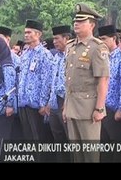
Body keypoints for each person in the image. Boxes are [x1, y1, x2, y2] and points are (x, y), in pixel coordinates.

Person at [63, 3, 110, 162]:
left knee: (90, 155)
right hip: (72, 105)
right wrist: (65, 106)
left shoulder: (97, 47)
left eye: (82, 21)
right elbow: (69, 79)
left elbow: (102, 80)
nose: (76, 24)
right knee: (77, 155)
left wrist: (99, 108)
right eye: (76, 21)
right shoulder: (70, 46)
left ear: (92, 25)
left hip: (89, 108)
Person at [18, 19, 54, 162]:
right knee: (28, 139)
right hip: (24, 103)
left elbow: (48, 80)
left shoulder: (45, 54)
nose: (26, 35)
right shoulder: (25, 54)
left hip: (37, 105)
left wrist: (44, 103)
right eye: (25, 32)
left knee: (38, 139)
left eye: (29, 32)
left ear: (38, 34)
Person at [98, 24, 121, 162]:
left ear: (114, 39)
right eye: (100, 39)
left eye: (104, 39)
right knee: (104, 145)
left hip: (115, 109)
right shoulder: (102, 58)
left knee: (117, 145)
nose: (101, 42)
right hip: (102, 107)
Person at [48, 25, 72, 162]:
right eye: (53, 39)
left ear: (67, 38)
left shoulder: (72, 55)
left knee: (70, 139)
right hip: (54, 102)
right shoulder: (56, 57)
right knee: (58, 140)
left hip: (66, 101)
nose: (54, 42)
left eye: (57, 38)